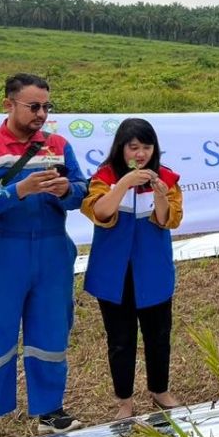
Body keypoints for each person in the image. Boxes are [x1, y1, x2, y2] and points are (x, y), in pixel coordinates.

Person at [0, 74, 88, 437]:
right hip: (0, 252)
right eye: (34, 106)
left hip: (51, 250)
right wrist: (19, 190)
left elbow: (82, 190)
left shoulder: (58, 145)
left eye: (47, 106)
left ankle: (50, 411)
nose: (42, 114)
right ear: (8, 104)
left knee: (51, 331)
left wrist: (67, 190)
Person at [82, 118, 183, 419]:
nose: (140, 154)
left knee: (159, 334)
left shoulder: (166, 177)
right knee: (120, 339)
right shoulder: (103, 177)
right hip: (114, 272)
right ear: (121, 148)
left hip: (152, 269)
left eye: (146, 147)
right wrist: (124, 183)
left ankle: (160, 390)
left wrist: (161, 194)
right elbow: (99, 211)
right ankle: (124, 400)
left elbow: (169, 220)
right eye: (133, 147)